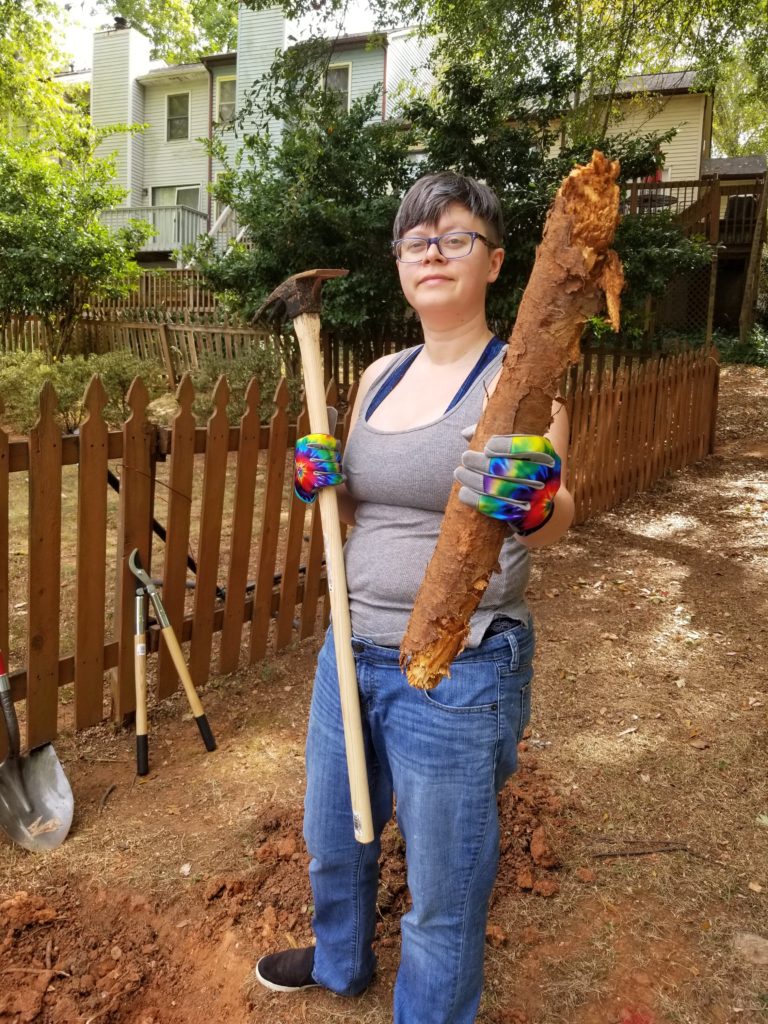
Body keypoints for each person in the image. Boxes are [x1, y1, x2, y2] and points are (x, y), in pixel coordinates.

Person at [254, 172, 574, 1023]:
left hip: (458, 667)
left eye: (455, 236)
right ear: (399, 263)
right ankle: (338, 963)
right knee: (333, 839)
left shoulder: (521, 379)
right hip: (349, 648)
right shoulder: (380, 379)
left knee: (443, 887)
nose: (432, 251)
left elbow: (554, 517)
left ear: (496, 262)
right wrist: (322, 483)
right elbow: (358, 508)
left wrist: (540, 499)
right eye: (415, 240)